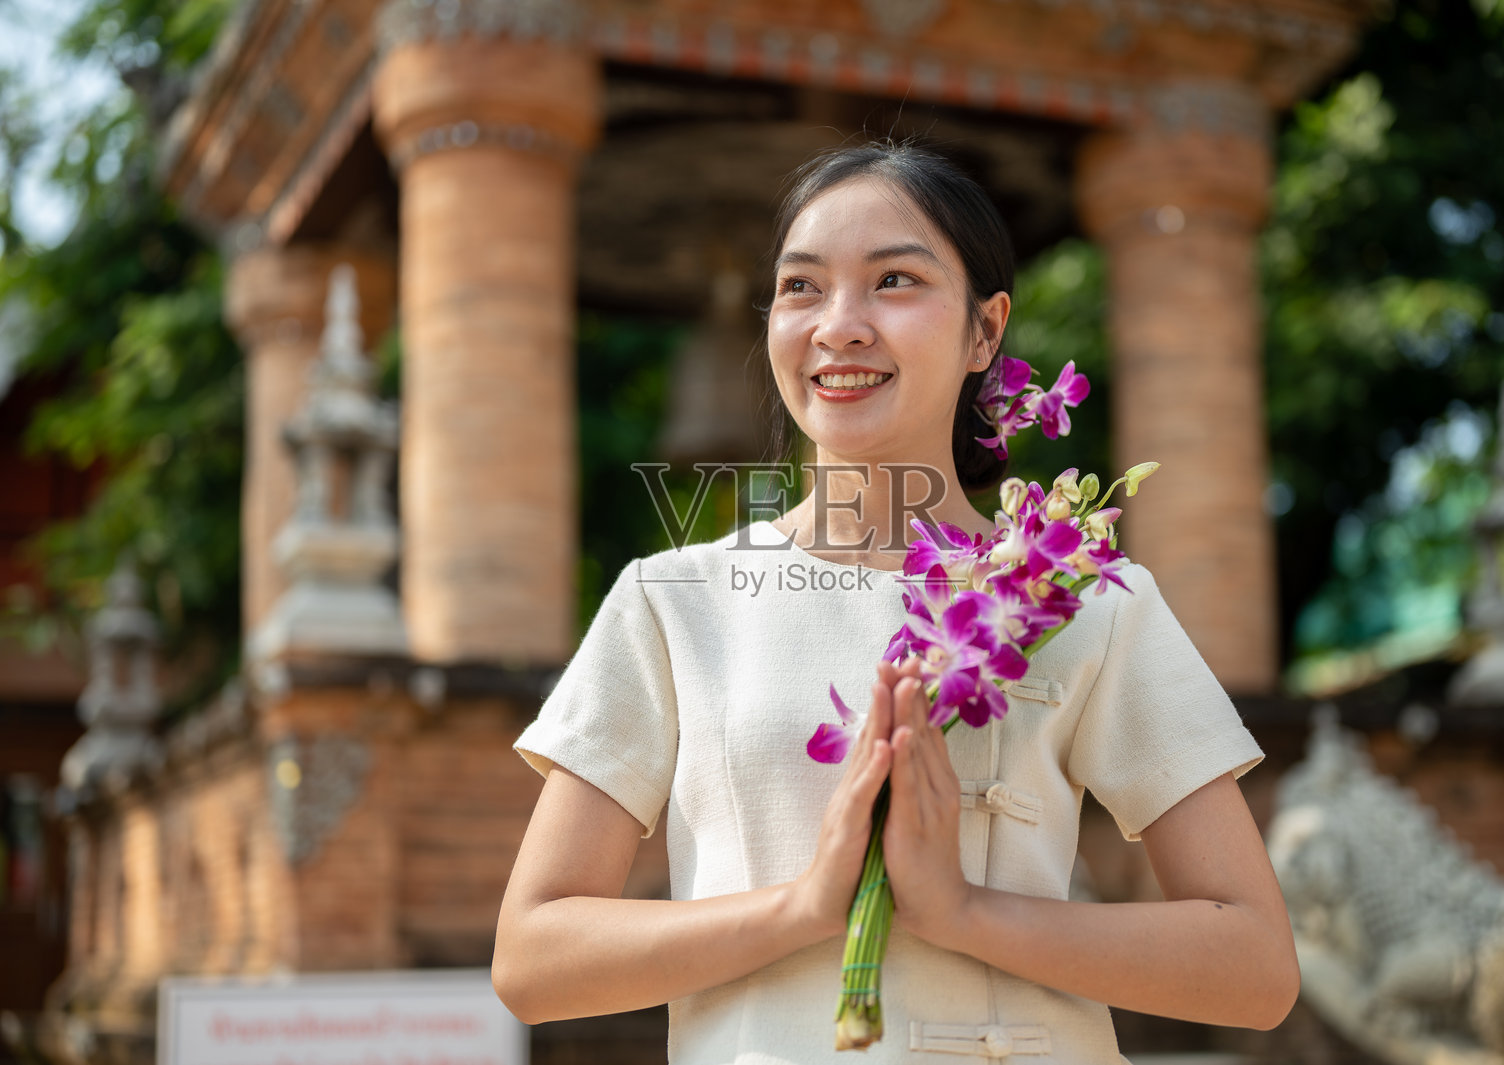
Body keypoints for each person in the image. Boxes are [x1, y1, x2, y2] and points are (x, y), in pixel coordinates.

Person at [492, 141, 1299, 1064]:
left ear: (985, 332)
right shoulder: (674, 604)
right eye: (801, 287)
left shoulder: (1079, 594)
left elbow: (1256, 968)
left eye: (894, 281)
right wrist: (804, 907)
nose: (839, 326)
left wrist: (962, 912)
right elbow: (533, 959)